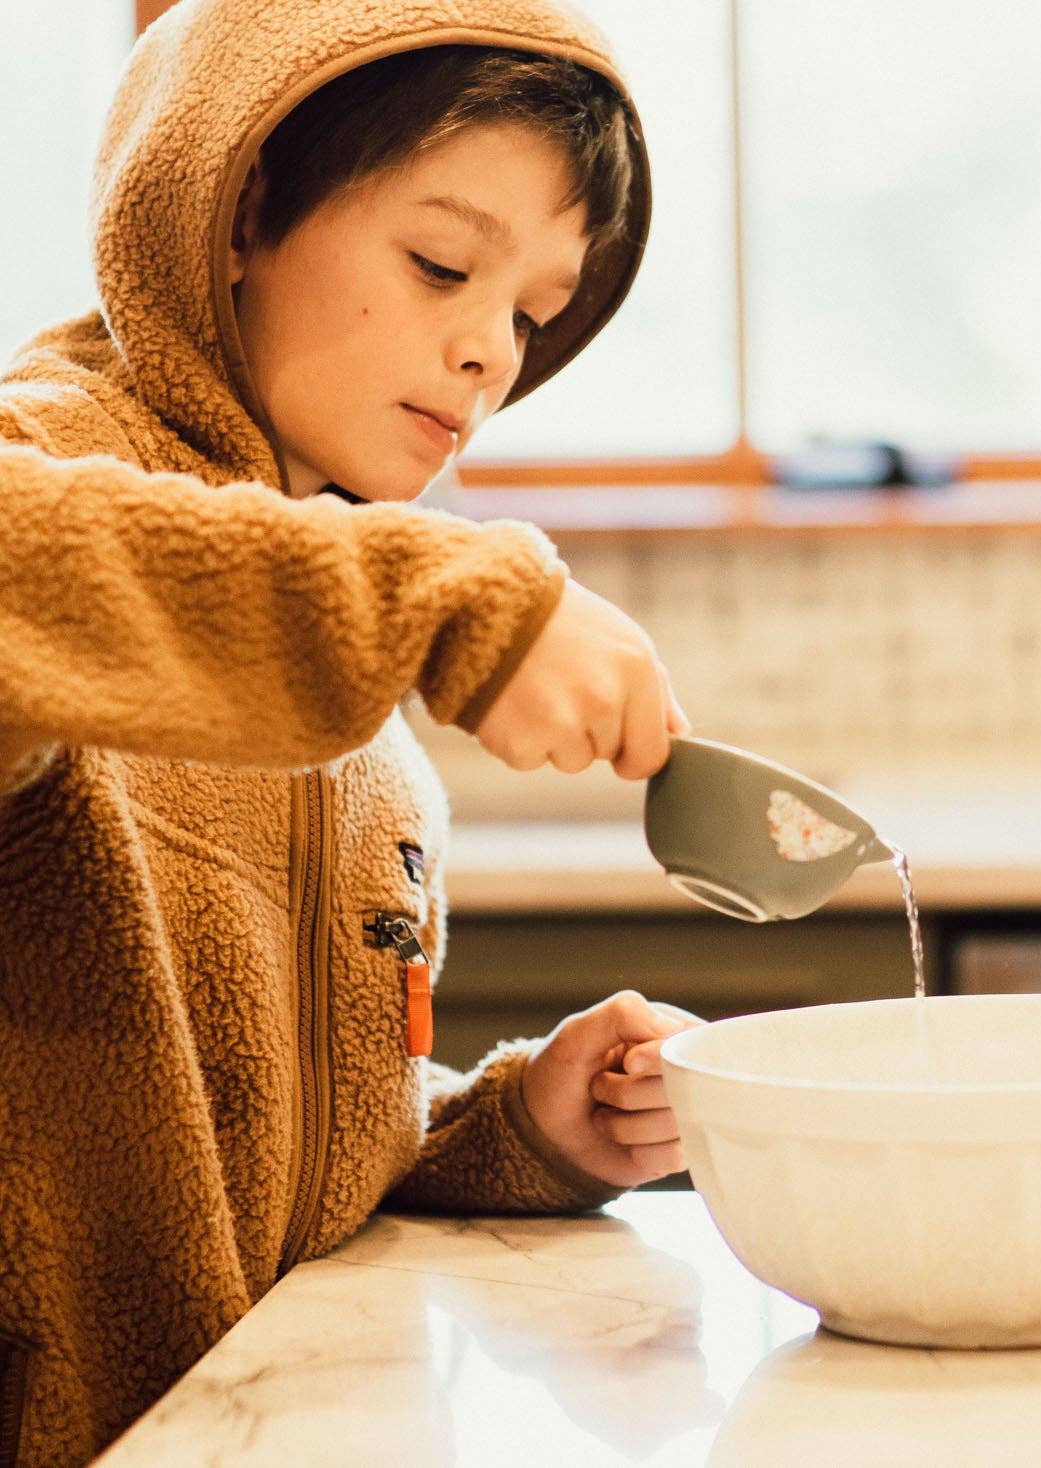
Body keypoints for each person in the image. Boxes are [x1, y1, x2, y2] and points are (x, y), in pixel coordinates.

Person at [0, 3, 706, 1462]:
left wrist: (516, 1129)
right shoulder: (56, 460)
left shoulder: (355, 709)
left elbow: (279, 1141)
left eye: (530, 314)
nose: (489, 354)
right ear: (240, 210)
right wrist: (441, 603)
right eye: (442, 264)